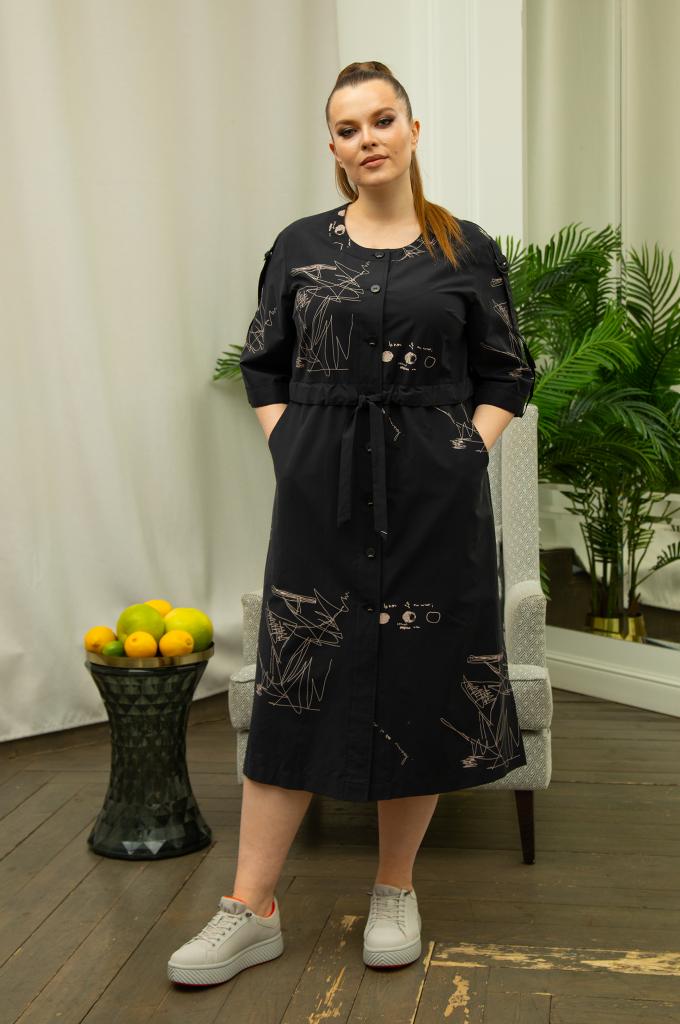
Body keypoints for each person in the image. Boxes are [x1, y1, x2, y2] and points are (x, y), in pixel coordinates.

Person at [168, 59, 536, 988]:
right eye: (347, 128)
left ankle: (394, 889)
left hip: (436, 503)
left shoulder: (467, 250)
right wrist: (291, 443)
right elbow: (264, 362)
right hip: (321, 495)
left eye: (381, 119)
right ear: (332, 148)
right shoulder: (299, 245)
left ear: (413, 129)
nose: (367, 138)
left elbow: (508, 371)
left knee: (419, 679)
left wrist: (466, 451)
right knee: (297, 677)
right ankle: (250, 907)